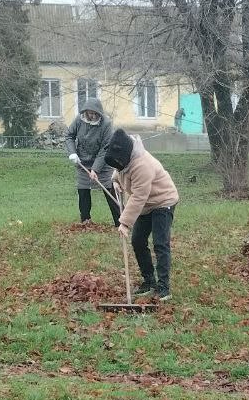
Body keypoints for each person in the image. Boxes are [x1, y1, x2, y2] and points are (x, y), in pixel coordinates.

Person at [104, 129, 179, 301]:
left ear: (126, 154)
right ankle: (149, 281)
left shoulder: (142, 164)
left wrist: (124, 223)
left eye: (118, 162)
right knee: (138, 241)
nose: (117, 164)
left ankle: (163, 287)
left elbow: (138, 196)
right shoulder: (124, 157)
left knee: (160, 243)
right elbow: (119, 171)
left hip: (163, 202)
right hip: (146, 205)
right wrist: (115, 181)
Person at [65, 98, 120, 227]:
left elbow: (105, 148)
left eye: (96, 114)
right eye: (90, 113)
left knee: (109, 188)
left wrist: (95, 169)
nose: (93, 116)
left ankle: (120, 222)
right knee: (83, 190)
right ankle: (86, 221)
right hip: (83, 161)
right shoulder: (79, 120)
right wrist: (72, 152)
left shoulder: (106, 124)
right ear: (86, 112)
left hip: (103, 163)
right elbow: (69, 136)